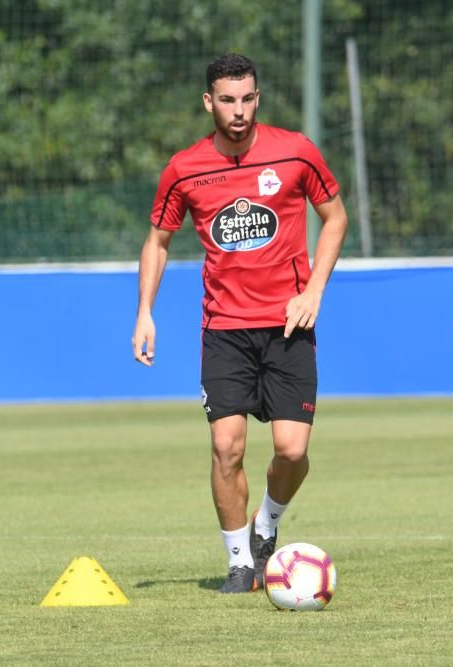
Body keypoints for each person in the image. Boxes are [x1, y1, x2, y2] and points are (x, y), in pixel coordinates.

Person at [132, 53, 348, 593]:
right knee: (226, 446)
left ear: (258, 97)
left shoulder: (296, 151)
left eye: (248, 98)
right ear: (209, 101)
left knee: (292, 451)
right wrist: (144, 312)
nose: (239, 110)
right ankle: (240, 562)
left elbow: (337, 218)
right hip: (224, 329)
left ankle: (267, 523)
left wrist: (314, 291)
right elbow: (158, 241)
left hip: (288, 326)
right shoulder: (185, 167)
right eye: (227, 100)